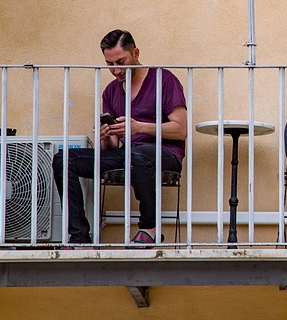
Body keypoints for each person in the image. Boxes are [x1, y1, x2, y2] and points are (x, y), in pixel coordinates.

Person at [52, 29, 187, 245]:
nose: (116, 70)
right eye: (109, 64)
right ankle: (79, 236)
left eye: (121, 62)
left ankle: (149, 230)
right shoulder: (111, 91)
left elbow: (180, 130)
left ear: (136, 52)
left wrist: (139, 127)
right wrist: (106, 136)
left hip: (164, 153)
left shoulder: (164, 79)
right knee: (63, 159)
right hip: (128, 155)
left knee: (138, 155)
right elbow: (112, 147)